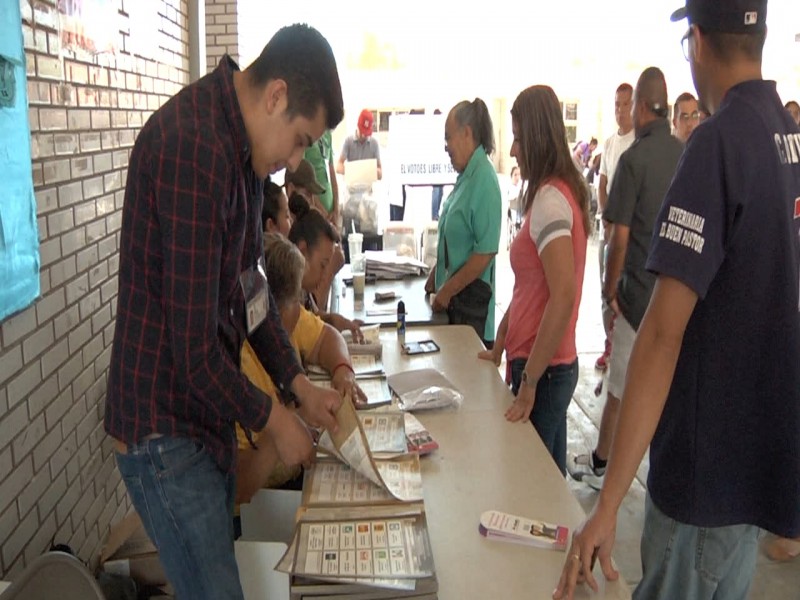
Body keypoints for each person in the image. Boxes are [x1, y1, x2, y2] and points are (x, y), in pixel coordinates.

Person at [555, 1, 800, 598]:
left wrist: (608, 503)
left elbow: (664, 332)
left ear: (696, 43)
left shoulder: (716, 143)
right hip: (755, 466)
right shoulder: (787, 136)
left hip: (705, 474)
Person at [106, 24, 345, 600]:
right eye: (299, 140)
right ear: (276, 96)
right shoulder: (193, 149)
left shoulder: (238, 153)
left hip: (200, 415)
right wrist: (275, 421)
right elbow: (192, 351)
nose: (293, 163)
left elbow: (252, 291)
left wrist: (296, 384)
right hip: (163, 428)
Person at [568, 67, 684, 491]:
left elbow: (619, 236)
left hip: (637, 295)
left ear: (638, 107)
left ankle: (602, 462)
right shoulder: (684, 154)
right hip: (676, 296)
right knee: (669, 385)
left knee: (620, 387)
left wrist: (609, 287)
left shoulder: (633, 160)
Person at [479, 85, 589, 475]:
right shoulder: (549, 196)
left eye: (520, 140)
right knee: (549, 487)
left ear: (538, 138)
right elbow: (529, 288)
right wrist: (499, 346)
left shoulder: (549, 202)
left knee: (530, 486)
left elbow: (562, 297)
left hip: (545, 371)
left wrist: (529, 381)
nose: (513, 151)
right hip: (540, 366)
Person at [236, 234, 366, 505]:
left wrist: (343, 371)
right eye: (299, 299)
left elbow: (328, 338)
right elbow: (239, 487)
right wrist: (282, 431)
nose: (304, 308)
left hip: (294, 483)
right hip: (259, 508)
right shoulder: (239, 364)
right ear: (276, 308)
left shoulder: (288, 325)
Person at [425, 98, 502, 346]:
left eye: (448, 138)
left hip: (471, 313)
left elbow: (485, 252)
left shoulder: (485, 180)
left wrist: (447, 290)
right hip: (454, 307)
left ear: (467, 133)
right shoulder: (467, 176)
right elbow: (455, 238)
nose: (446, 147)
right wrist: (436, 275)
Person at [595, 83, 635, 373]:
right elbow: (602, 184)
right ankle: (608, 343)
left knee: (626, 290)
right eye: (617, 104)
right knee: (605, 287)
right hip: (607, 231)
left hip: (630, 233)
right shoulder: (609, 144)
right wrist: (608, 220)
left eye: (625, 104)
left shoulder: (639, 143)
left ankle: (625, 345)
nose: (620, 111)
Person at [288, 194, 364, 342]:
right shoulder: (285, 297)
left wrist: (335, 321)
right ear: (302, 251)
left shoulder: (303, 289)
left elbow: (312, 317)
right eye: (323, 265)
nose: (324, 275)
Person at [285, 159, 345, 311]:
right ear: (291, 190)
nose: (312, 202)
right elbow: (310, 313)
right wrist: (329, 269)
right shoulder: (286, 245)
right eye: (308, 194)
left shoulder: (305, 228)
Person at [304, 129, 340, 227]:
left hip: (330, 209)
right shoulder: (306, 135)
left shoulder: (327, 135)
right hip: (314, 209)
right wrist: (321, 211)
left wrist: (336, 209)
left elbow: (332, 172)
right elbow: (302, 177)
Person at [336, 108, 382, 179]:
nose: (364, 135)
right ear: (358, 125)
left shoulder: (374, 143)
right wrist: (353, 171)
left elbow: (380, 173)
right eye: (362, 132)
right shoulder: (348, 141)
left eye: (366, 133)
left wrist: (372, 171)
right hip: (352, 187)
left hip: (368, 188)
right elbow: (338, 166)